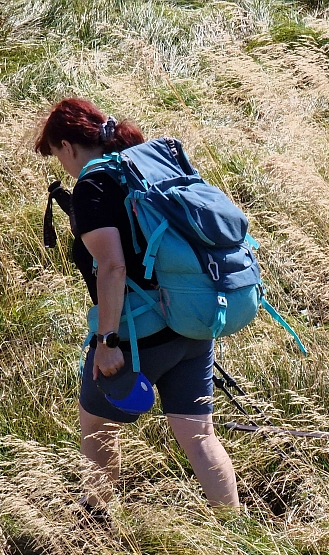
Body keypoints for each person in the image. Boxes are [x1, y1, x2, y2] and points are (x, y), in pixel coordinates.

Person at [34, 98, 240, 518]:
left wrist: (108, 341)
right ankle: (235, 530)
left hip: (137, 333)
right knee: (199, 435)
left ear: (68, 146)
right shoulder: (144, 170)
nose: (63, 165)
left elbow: (112, 266)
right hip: (191, 322)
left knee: (98, 424)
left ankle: (94, 525)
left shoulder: (93, 187)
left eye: (58, 155)